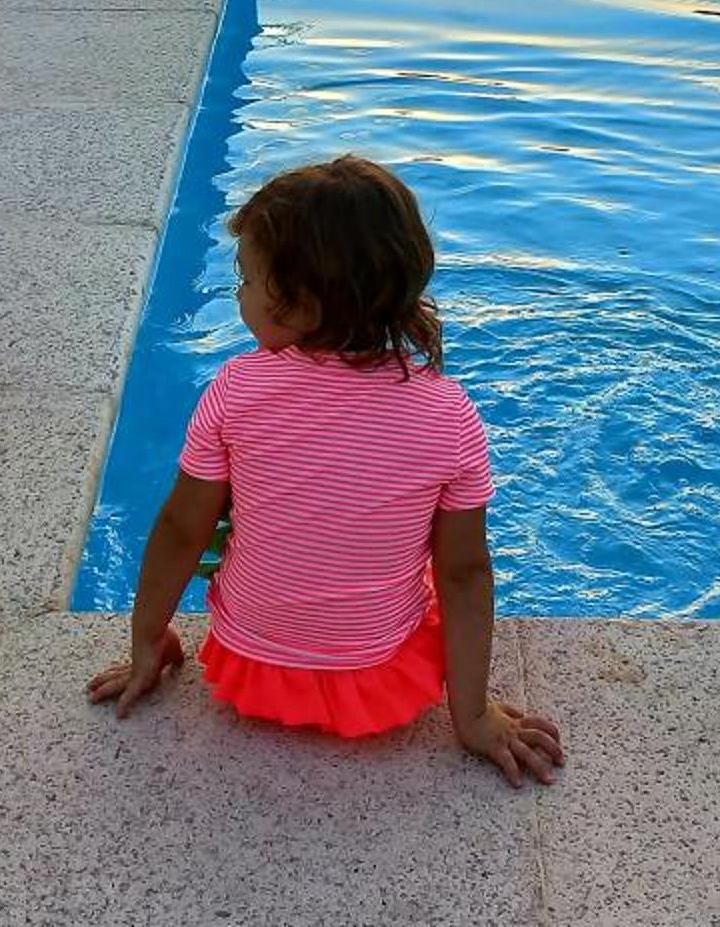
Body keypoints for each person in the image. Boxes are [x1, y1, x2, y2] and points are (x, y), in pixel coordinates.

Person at [86, 155, 565, 787]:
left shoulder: (235, 391)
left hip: (250, 665)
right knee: (430, 560)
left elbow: (182, 530)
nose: (238, 294)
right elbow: (465, 573)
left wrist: (148, 641)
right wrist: (473, 715)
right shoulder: (450, 415)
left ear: (299, 305)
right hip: (377, 673)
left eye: (246, 278)